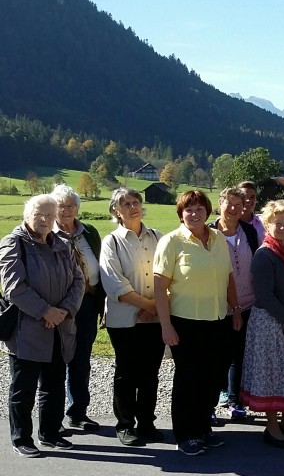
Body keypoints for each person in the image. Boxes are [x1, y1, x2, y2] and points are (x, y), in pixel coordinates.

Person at [154, 190, 242, 456]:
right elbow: (159, 288)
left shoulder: (217, 239)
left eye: (199, 209)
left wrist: (235, 310)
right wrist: (165, 325)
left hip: (217, 320)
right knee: (188, 380)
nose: (194, 214)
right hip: (185, 323)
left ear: (208, 211)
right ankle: (185, 434)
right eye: (188, 210)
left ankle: (203, 428)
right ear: (181, 214)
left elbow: (228, 277)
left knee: (212, 378)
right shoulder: (172, 242)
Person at [1, 195, 85, 457]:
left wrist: (65, 311)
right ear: (27, 214)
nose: (45, 219)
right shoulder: (13, 243)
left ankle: (50, 433)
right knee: (23, 389)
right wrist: (45, 311)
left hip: (59, 328)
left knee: (54, 384)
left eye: (50, 214)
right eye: (39, 214)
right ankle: (21, 439)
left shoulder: (62, 243)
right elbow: (14, 287)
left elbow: (79, 280)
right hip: (27, 330)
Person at [240, 200, 284, 448]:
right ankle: (272, 428)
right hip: (272, 322)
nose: (282, 227)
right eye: (277, 223)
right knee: (274, 374)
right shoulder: (264, 255)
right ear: (267, 225)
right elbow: (264, 296)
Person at [99, 188, 165, 446]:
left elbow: (170, 276)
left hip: (155, 319)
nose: (132, 207)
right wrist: (149, 305)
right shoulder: (112, 242)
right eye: (125, 204)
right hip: (125, 320)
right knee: (126, 372)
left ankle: (147, 423)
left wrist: (155, 309)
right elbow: (115, 283)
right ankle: (125, 425)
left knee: (151, 373)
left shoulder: (158, 237)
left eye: (135, 202)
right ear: (116, 211)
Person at [51, 184, 103, 431]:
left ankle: (78, 412)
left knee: (81, 358)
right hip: (59, 306)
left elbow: (100, 267)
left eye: (71, 205)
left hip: (88, 303)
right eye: (61, 206)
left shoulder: (89, 232)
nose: (67, 210)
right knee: (56, 359)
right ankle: (51, 417)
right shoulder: (47, 234)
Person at [209, 187, 260, 421]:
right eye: (229, 203)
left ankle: (234, 402)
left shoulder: (249, 232)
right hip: (216, 306)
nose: (233, 208)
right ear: (220, 204)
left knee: (238, 356)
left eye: (238, 205)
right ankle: (207, 406)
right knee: (215, 356)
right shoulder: (208, 233)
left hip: (247, 305)